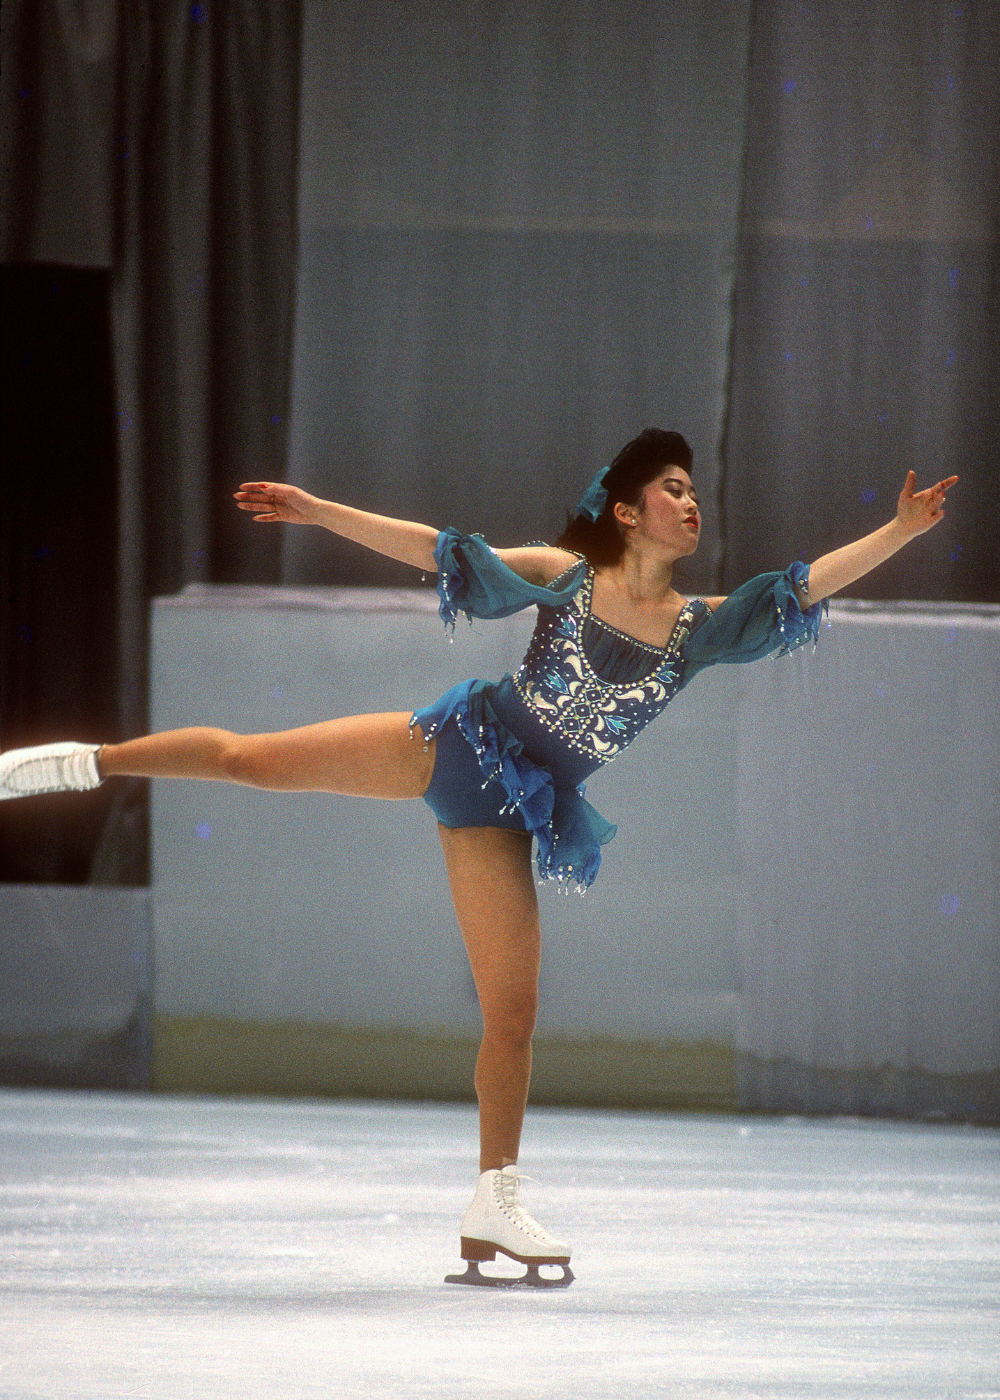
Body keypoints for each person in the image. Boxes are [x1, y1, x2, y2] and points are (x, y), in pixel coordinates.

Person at [0, 429, 957, 1288]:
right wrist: (313, 509)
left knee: (513, 1009)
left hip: (513, 814)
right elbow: (440, 550)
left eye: (694, 488)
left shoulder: (699, 631)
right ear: (627, 511)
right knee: (252, 760)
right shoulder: (564, 576)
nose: (691, 500)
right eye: (672, 486)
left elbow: (802, 588)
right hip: (456, 748)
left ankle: (493, 1199)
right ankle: (79, 761)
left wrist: (902, 531)